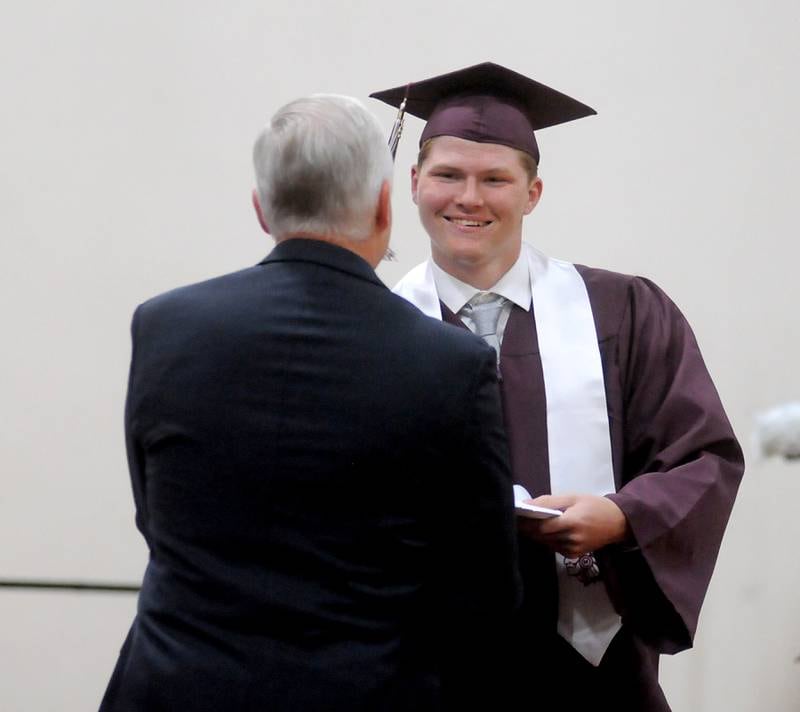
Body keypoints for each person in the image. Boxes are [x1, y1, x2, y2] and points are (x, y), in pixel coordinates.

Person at [100, 94, 521, 711]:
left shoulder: (164, 325)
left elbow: (155, 518)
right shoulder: (450, 363)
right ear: (385, 206)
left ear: (260, 208)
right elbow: (484, 591)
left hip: (175, 685)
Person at [372, 63, 745, 711]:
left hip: (592, 678)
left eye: (496, 179)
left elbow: (702, 457)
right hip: (428, 667)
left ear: (533, 192)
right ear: (413, 183)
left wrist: (623, 517)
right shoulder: (374, 331)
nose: (469, 198)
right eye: (448, 175)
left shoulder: (623, 312)